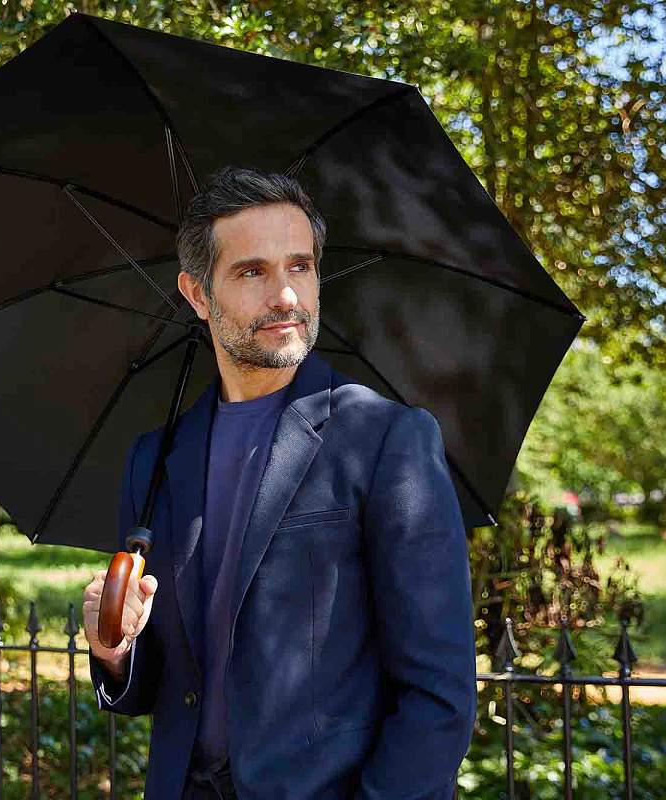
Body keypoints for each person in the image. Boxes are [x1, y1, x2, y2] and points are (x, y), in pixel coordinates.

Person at [80, 165, 477, 799]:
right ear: (197, 294)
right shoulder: (154, 460)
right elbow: (165, 688)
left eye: (300, 266)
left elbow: (439, 696)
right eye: (251, 272)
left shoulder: (386, 440)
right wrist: (115, 649)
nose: (286, 295)